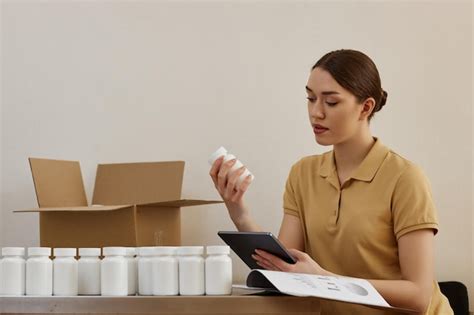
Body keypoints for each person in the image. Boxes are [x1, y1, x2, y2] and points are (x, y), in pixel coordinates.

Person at [209, 49, 453, 315]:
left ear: (366, 107)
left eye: (331, 102)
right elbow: (285, 269)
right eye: (310, 98)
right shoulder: (303, 173)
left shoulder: (405, 178)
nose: (316, 113)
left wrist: (325, 279)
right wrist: (239, 211)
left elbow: (418, 296)